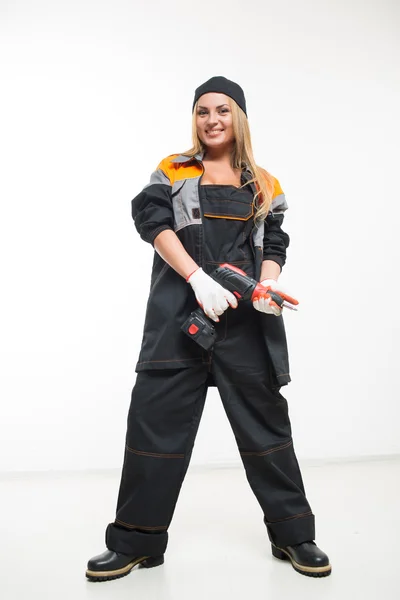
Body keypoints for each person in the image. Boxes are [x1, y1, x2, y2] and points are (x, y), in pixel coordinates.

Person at [86, 76, 332, 581]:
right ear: (194, 118)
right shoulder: (173, 169)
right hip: (179, 318)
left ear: (239, 117)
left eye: (222, 110)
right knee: (154, 428)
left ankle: (293, 536)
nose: (212, 119)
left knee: (267, 431)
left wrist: (266, 288)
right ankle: (137, 542)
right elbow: (152, 224)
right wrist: (197, 278)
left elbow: (274, 245)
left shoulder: (264, 181)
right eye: (202, 111)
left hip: (245, 324)